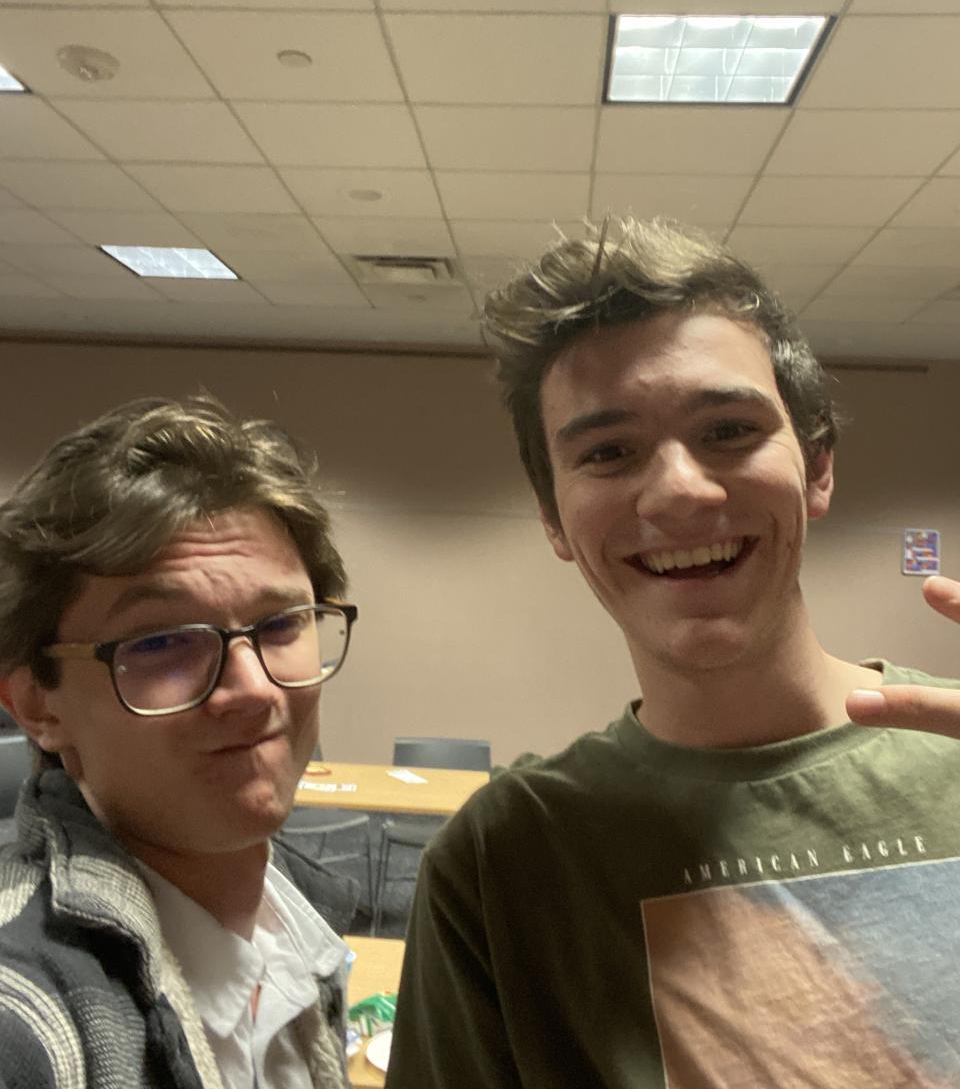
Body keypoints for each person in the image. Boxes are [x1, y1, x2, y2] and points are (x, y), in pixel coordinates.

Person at [387, 218, 960, 1088]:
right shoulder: (504, 862)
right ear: (553, 518)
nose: (680, 492)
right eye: (608, 452)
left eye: (728, 430)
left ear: (817, 469)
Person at [0, 396, 360, 1089]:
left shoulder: (299, 926)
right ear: (38, 705)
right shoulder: (26, 1021)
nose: (253, 689)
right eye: (163, 641)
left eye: (280, 625)